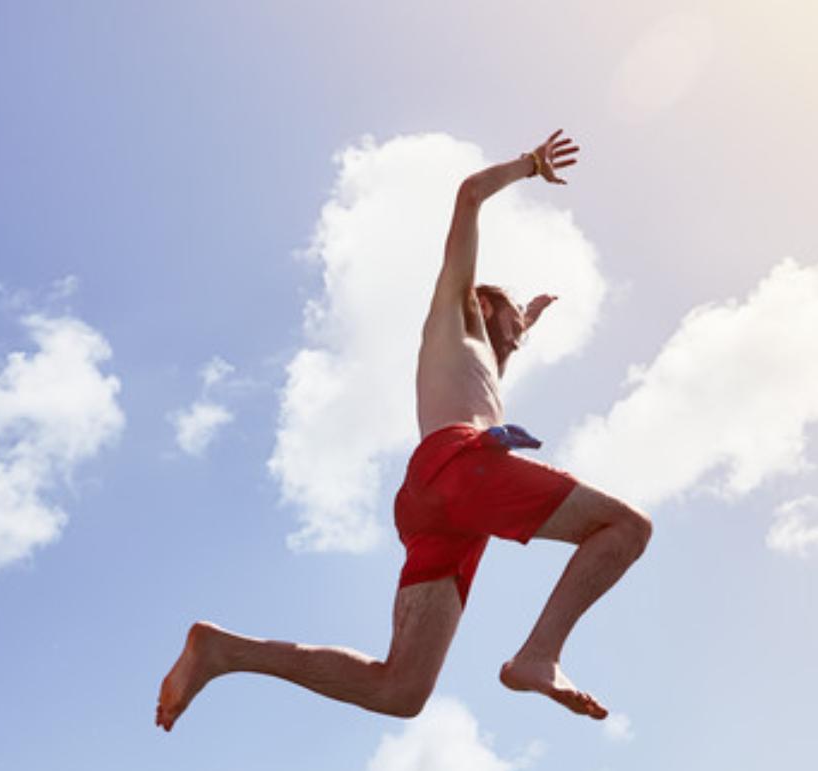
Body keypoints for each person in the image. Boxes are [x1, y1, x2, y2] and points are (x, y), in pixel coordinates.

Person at [156, 130, 650, 731]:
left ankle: (225, 651)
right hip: (458, 464)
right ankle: (539, 654)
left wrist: (528, 325)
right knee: (625, 527)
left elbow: (490, 373)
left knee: (401, 691)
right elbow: (467, 196)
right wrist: (528, 166)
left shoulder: (477, 363)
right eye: (514, 320)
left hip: (435, 501)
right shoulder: (454, 309)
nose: (519, 336)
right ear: (487, 307)